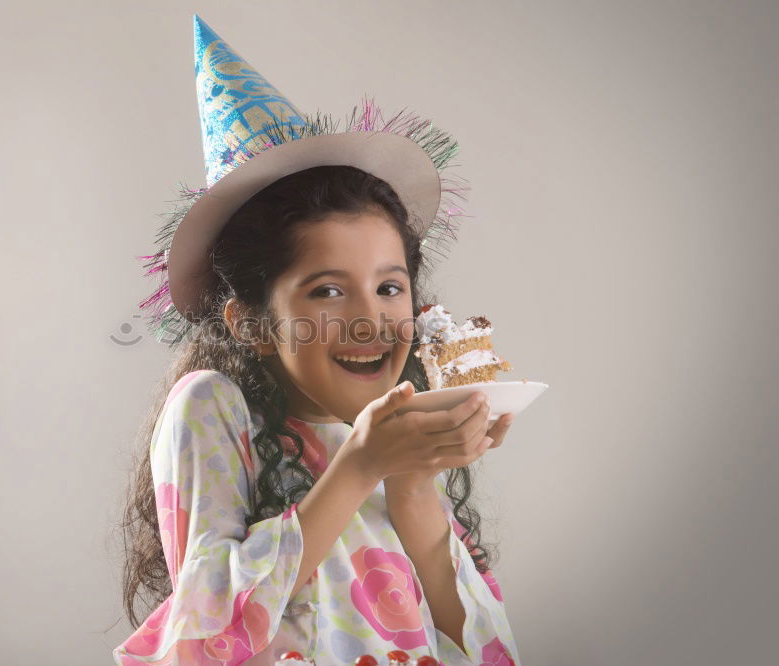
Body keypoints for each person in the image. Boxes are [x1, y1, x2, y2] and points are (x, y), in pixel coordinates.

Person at [110, 15, 520, 666]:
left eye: (390, 288)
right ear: (251, 324)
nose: (369, 319)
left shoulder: (397, 431)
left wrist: (411, 482)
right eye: (328, 291)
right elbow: (205, 635)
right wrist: (358, 466)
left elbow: (489, 652)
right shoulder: (214, 407)